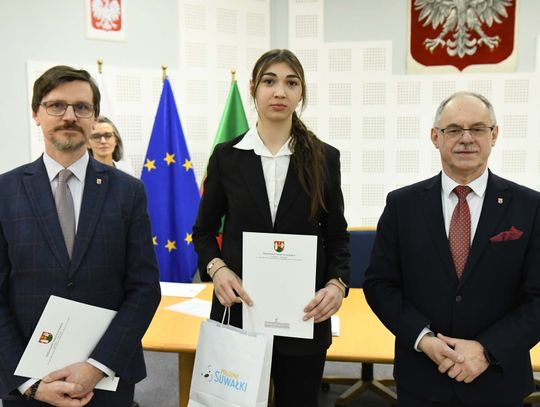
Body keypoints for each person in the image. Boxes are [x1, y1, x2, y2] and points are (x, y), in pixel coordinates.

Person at [192, 49, 350, 407]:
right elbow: (203, 231)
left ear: (301, 92)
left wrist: (337, 284)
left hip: (304, 317)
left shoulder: (325, 158)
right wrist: (217, 269)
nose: (280, 92)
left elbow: (337, 235)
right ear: (253, 88)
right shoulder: (226, 157)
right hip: (239, 315)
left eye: (291, 83)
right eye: (269, 81)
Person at [363, 91, 540, 406]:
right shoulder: (402, 205)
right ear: (435, 137)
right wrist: (424, 339)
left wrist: (486, 351)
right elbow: (380, 285)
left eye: (478, 128)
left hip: (498, 380)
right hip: (422, 377)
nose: (466, 138)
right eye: (454, 129)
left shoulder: (530, 207)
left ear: (494, 135)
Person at [0, 65, 161, 406]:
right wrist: (28, 382)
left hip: (107, 379)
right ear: (36, 113)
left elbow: (144, 288)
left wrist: (97, 366)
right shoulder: (5, 191)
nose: (70, 116)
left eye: (82, 107)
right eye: (56, 105)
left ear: (94, 117)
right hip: (28, 384)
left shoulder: (128, 192)